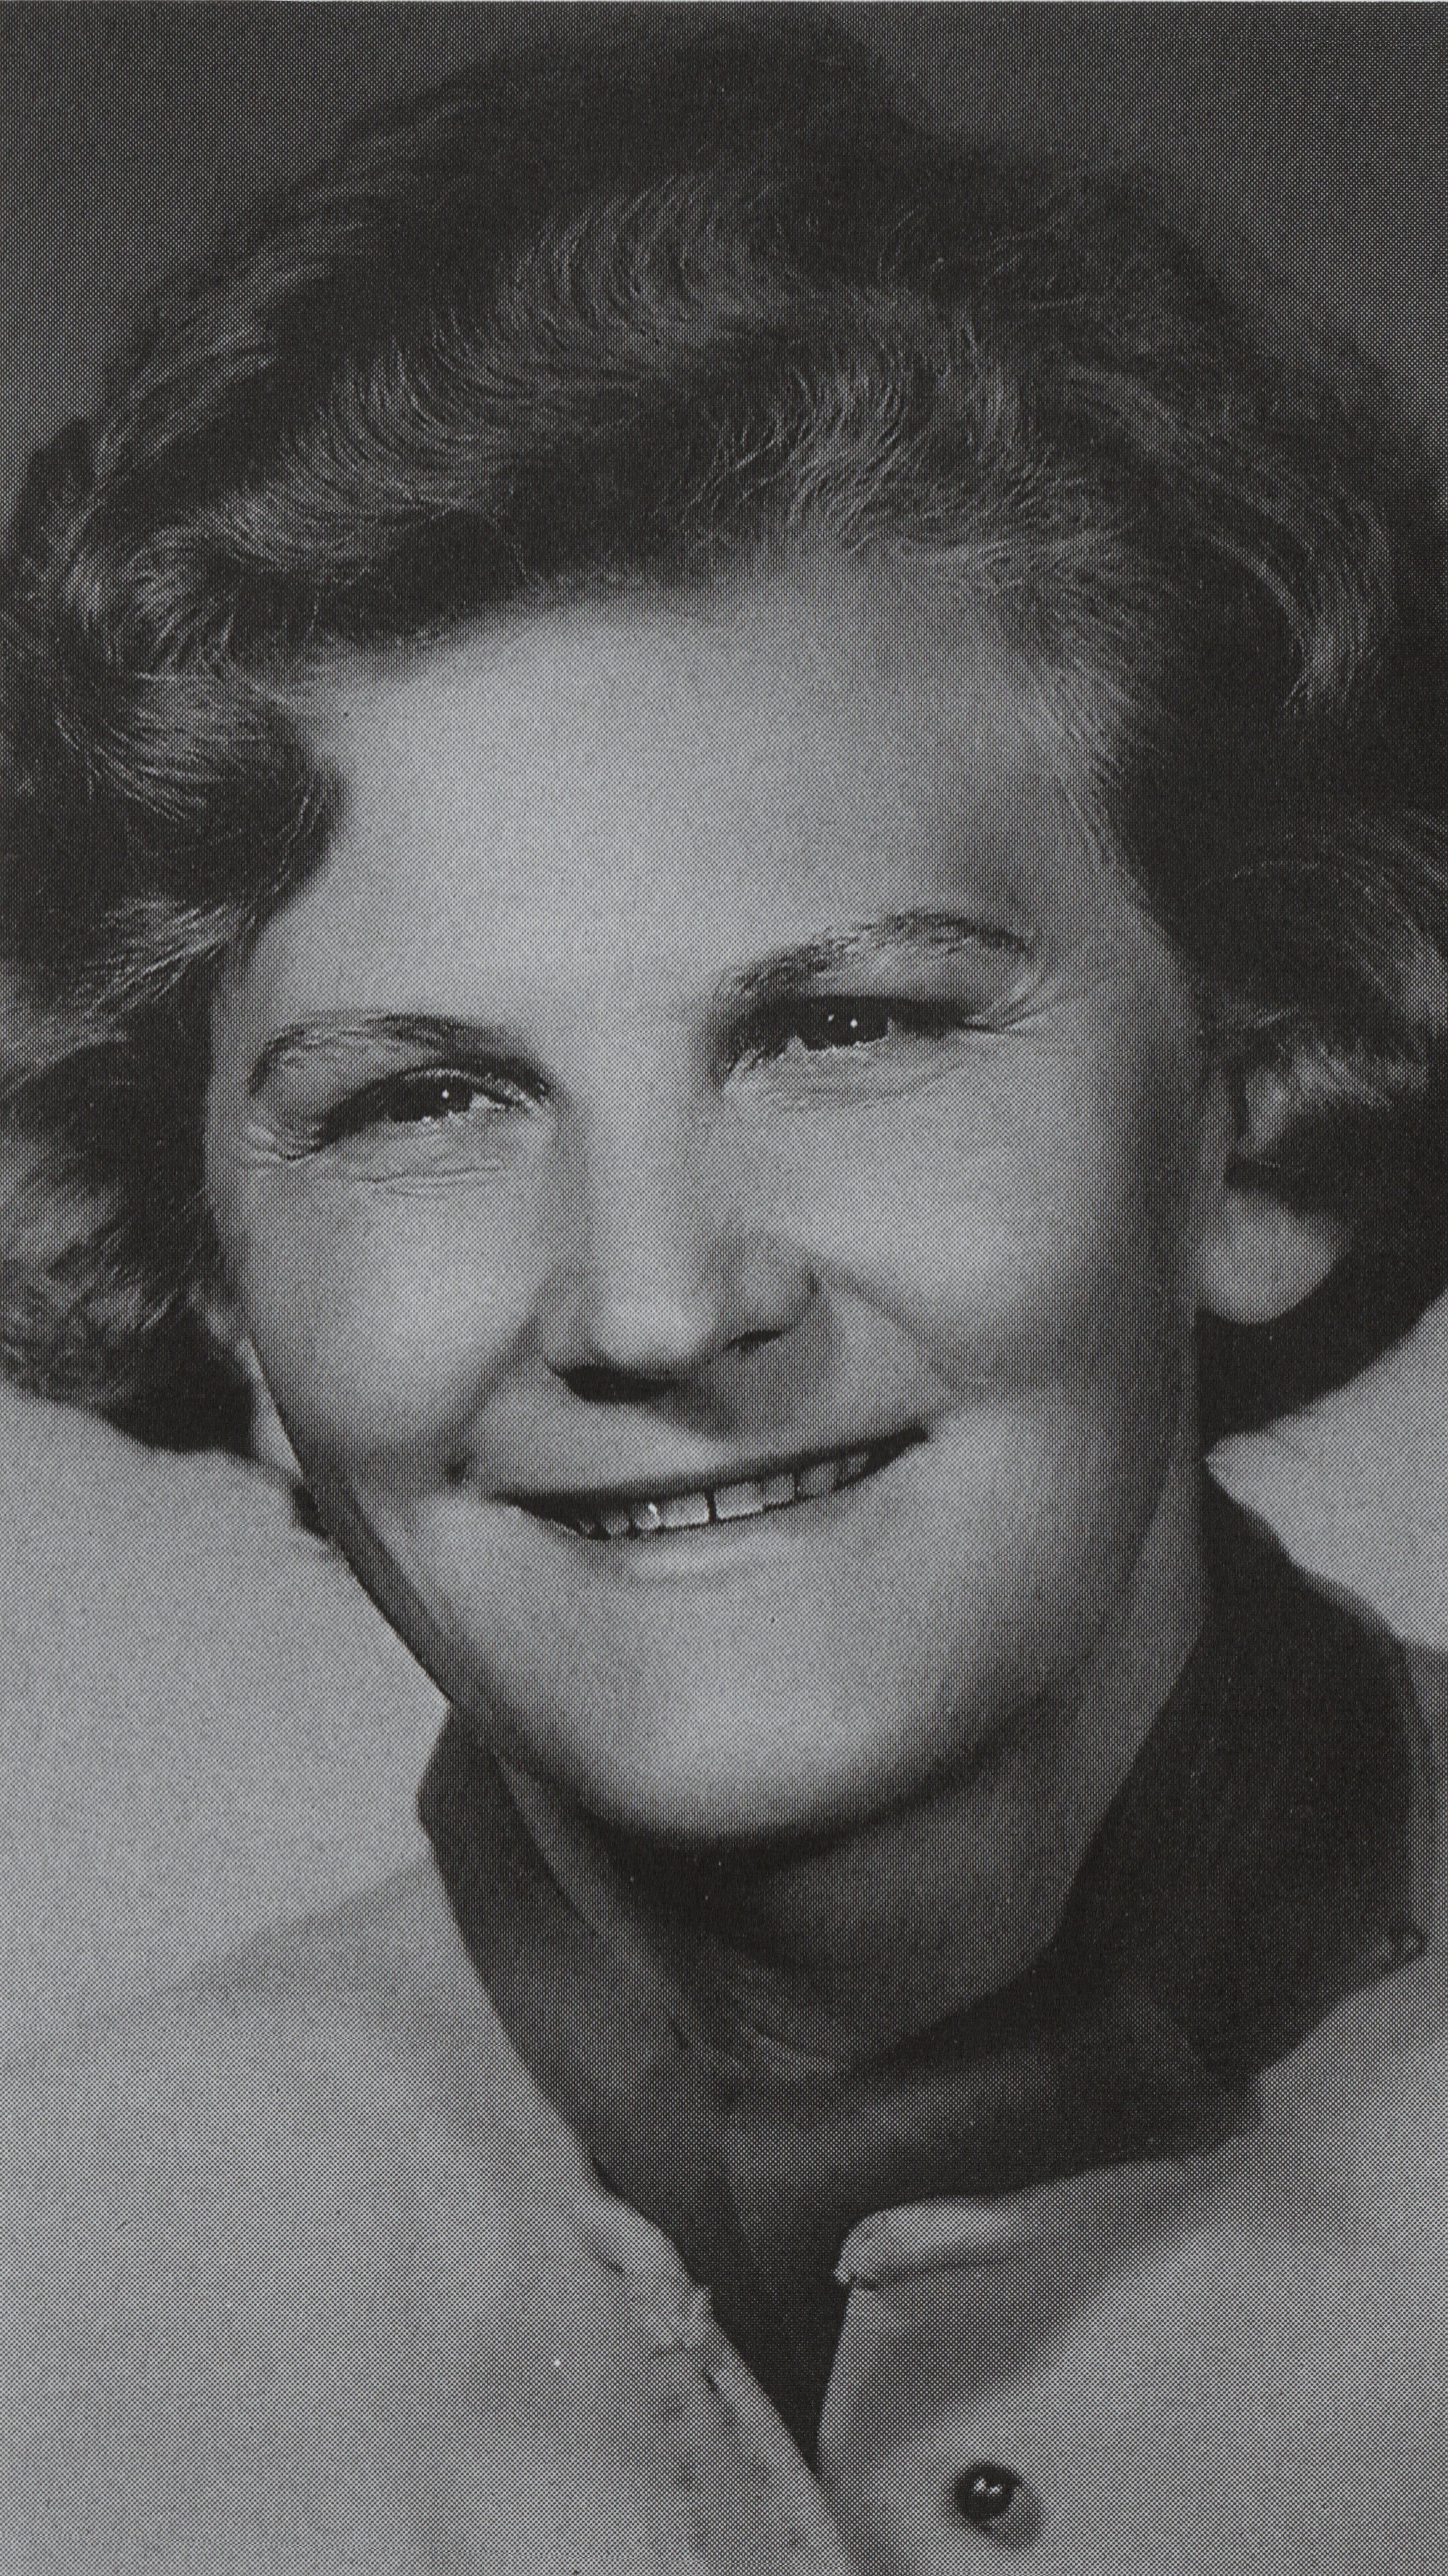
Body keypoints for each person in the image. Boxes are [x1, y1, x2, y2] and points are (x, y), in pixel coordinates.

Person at [2, 22, 1446, 2569]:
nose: (657, 1308)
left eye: (846, 1029)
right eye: (421, 1098)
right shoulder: (68, 2305)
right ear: (213, 1287)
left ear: (1262, 1117)